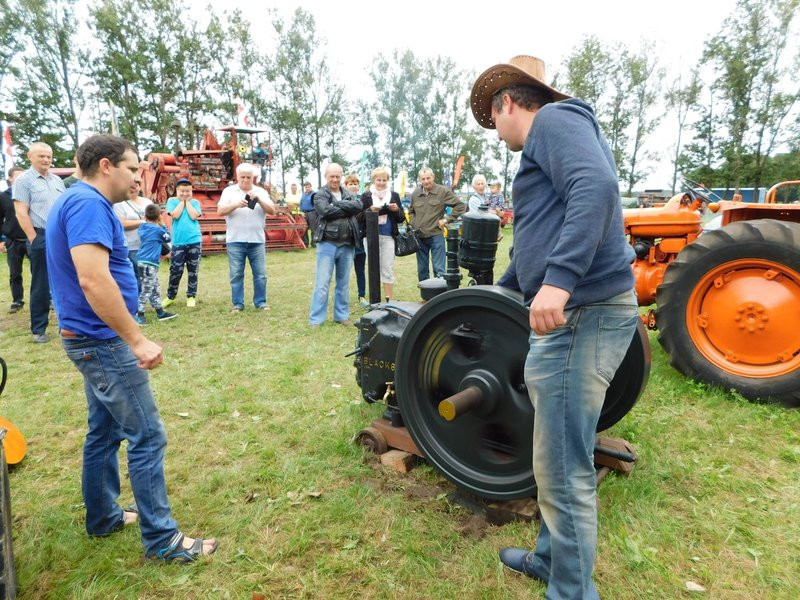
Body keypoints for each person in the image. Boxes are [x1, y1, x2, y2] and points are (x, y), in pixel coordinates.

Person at [471, 55, 638, 599]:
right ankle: (550, 559)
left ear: (508, 104)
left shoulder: (556, 122)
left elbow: (596, 188)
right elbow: (536, 241)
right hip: (576, 313)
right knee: (556, 452)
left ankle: (571, 592)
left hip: (579, 316)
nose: (496, 134)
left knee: (564, 469)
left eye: (493, 122)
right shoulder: (545, 145)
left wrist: (560, 282)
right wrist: (499, 292)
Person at [45, 133, 217, 562]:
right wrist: (136, 338)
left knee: (103, 431)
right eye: (132, 166)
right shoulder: (87, 204)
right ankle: (162, 540)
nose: (139, 174)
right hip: (102, 342)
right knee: (147, 434)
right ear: (106, 165)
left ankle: (103, 516)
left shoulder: (77, 200)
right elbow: (92, 278)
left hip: (86, 339)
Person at [13, 141, 66, 343]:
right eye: (41, 156)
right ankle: (39, 328)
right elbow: (21, 211)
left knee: (65, 280)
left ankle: (67, 324)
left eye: (48, 156)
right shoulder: (24, 180)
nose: (46, 159)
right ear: (30, 156)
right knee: (41, 284)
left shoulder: (57, 181)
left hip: (60, 235)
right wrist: (33, 238)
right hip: (40, 235)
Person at [308, 163, 362, 327]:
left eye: (338, 176)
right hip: (327, 243)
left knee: (344, 283)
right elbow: (324, 211)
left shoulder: (347, 193)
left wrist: (337, 205)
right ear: (326, 176)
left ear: (341, 177)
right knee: (322, 283)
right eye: (331, 176)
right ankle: (316, 319)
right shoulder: (319, 195)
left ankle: (341, 315)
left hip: (348, 243)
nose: (335, 179)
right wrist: (347, 208)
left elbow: (358, 206)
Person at [217, 163, 276, 312]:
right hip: (235, 240)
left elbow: (272, 211)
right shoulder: (229, 191)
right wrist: (236, 204)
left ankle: (261, 302)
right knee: (236, 274)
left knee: (261, 275)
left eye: (248, 177)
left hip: (257, 240)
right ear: (237, 177)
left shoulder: (260, 191)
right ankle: (238, 304)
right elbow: (220, 211)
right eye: (242, 177)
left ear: (253, 177)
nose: (245, 180)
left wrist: (260, 200)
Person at [408, 167, 465, 281]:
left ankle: (439, 296)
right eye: (423, 179)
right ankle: (426, 298)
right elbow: (411, 211)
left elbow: (461, 206)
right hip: (419, 237)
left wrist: (447, 219)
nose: (426, 181)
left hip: (436, 235)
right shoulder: (415, 194)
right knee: (422, 270)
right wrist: (414, 223)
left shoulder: (443, 191)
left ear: (433, 177)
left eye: (428, 178)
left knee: (439, 270)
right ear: (420, 180)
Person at [360, 166, 404, 302]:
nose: (381, 182)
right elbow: (359, 217)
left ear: (388, 180)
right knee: (374, 268)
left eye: (384, 180)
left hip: (388, 236)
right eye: (378, 180)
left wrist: (396, 210)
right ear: (373, 180)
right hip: (371, 236)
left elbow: (401, 218)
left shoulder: (394, 195)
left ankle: (389, 299)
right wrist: (370, 210)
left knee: (387, 267)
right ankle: (375, 299)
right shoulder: (366, 196)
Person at [135, 204, 177, 325]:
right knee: (147, 289)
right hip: (150, 263)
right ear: (159, 216)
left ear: (145, 216)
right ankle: (140, 314)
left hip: (143, 262)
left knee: (154, 287)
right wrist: (163, 224)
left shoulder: (142, 227)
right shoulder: (158, 230)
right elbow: (168, 238)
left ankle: (160, 311)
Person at [163, 178, 202, 308]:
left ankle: (191, 296)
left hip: (194, 240)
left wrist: (187, 202)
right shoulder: (172, 201)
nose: (185, 193)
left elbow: (194, 216)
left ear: (192, 191)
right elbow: (175, 215)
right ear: (177, 191)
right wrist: (182, 201)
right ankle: (170, 296)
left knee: (193, 270)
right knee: (175, 270)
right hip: (178, 242)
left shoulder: (195, 202)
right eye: (182, 191)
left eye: (188, 191)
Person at [113, 175, 152, 293]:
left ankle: (145, 303)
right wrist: (142, 222)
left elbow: (156, 219)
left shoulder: (148, 202)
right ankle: (137, 305)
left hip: (148, 246)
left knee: (149, 276)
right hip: (131, 246)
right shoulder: (120, 203)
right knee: (136, 277)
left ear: (140, 186)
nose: (133, 187)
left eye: (136, 185)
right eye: (130, 185)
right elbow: (121, 223)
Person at [0, 167, 27, 314]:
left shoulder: (29, 194)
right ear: (10, 178)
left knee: (40, 272)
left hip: (31, 238)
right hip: (13, 240)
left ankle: (46, 298)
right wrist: (1, 240)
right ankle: (17, 300)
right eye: (17, 176)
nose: (20, 179)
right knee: (15, 273)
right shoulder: (3, 197)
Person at [345, 174, 367, 306]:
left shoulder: (363, 200)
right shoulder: (342, 200)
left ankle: (362, 295)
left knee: (360, 270)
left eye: (355, 184)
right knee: (345, 271)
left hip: (359, 243)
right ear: (345, 186)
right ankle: (344, 296)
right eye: (350, 184)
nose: (353, 186)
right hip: (346, 242)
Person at [299, 181, 316, 248]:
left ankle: (314, 243)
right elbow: (301, 204)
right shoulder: (303, 194)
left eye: (308, 187)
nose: (307, 188)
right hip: (304, 213)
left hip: (312, 213)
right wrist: (301, 211)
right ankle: (305, 243)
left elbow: (316, 204)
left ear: (311, 187)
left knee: (313, 229)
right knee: (304, 229)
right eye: (306, 187)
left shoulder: (314, 194)